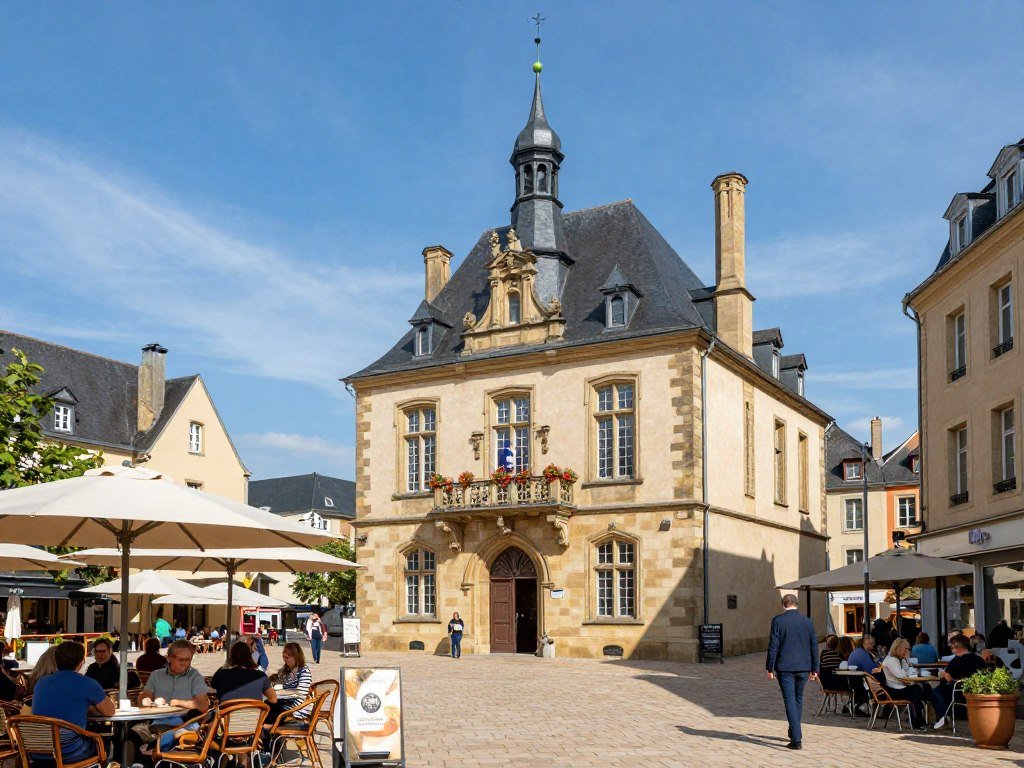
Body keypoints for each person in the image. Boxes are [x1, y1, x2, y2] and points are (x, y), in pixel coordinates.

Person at [30, 641, 115, 765]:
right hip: (69, 752)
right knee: (103, 743)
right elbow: (110, 711)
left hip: (39, 751)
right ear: (81, 662)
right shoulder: (87, 683)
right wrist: (89, 706)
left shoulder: (42, 682)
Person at [765, 594, 818, 750]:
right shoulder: (807, 622)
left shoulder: (778, 621)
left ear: (783, 604)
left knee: (789, 700)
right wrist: (815, 669)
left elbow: (773, 645)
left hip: (785, 667)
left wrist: (769, 667)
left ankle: (796, 738)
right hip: (803, 667)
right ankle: (794, 730)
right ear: (797, 604)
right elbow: (814, 646)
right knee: (798, 699)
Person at [138, 640, 210, 752]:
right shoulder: (156, 675)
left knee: (171, 729)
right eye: (181, 660)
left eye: (188, 660)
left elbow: (203, 706)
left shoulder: (195, 676)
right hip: (159, 721)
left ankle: (152, 750)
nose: (185, 663)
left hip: (186, 722)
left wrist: (179, 702)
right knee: (134, 734)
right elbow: (145, 695)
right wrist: (145, 699)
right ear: (169, 658)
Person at [932, 634, 988, 729]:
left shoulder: (957, 660)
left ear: (957, 647)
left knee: (935, 691)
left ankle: (943, 717)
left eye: (952, 646)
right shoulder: (978, 658)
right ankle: (945, 716)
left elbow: (948, 677)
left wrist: (944, 674)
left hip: (959, 691)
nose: (951, 648)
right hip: (977, 690)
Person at [880, 637, 935, 731]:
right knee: (916, 690)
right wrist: (907, 659)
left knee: (925, 687)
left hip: (902, 687)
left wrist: (906, 659)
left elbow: (907, 673)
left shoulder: (901, 659)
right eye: (907, 648)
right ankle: (918, 722)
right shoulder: (891, 660)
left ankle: (938, 716)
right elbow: (903, 676)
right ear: (900, 648)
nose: (909, 650)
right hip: (893, 691)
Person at [211, 641, 278, 705]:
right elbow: (273, 699)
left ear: (231, 656)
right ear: (249, 656)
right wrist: (262, 705)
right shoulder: (260, 676)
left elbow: (211, 690)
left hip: (227, 715)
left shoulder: (221, 674)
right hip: (255, 715)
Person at [267, 642, 312, 722]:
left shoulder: (303, 672)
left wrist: (290, 712)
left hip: (295, 710)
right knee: (265, 705)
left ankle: (266, 730)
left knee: (267, 711)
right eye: (283, 657)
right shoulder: (287, 671)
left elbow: (301, 696)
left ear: (295, 657)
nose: (284, 660)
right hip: (283, 704)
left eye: (286, 658)